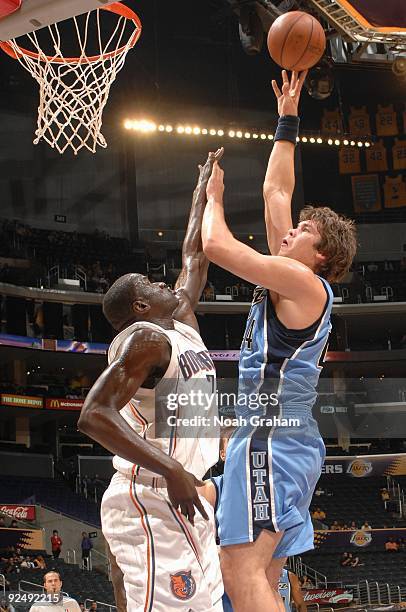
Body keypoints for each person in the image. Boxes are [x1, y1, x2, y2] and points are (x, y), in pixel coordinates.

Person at [202, 69, 357, 612]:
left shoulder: (302, 282)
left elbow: (217, 247)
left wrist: (211, 200)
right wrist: (287, 120)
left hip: (272, 438)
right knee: (263, 578)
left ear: (321, 257)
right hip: (286, 440)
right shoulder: (290, 279)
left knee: (238, 570)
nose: (292, 230)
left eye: (304, 232)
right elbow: (276, 190)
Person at [78, 150, 224, 611]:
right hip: (154, 494)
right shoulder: (142, 338)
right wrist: (174, 470)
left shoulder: (178, 324)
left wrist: (203, 194)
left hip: (188, 493)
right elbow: (93, 415)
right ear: (140, 307)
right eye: (149, 284)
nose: (163, 284)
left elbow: (194, 256)